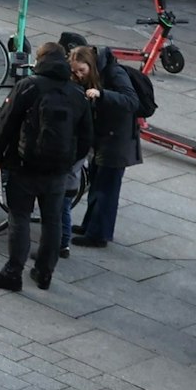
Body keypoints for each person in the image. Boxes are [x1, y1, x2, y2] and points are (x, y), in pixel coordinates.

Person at [0, 42, 93, 292]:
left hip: (24, 165)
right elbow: (87, 137)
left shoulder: (29, 86)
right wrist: (68, 160)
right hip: (58, 171)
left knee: (19, 218)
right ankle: (44, 273)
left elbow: (7, 123)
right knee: (52, 221)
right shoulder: (76, 94)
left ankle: (13, 272)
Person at [70, 40, 139, 248]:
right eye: (75, 72)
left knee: (106, 189)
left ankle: (98, 235)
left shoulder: (114, 73)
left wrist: (102, 95)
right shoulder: (97, 73)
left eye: (81, 70)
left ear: (90, 64)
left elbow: (131, 101)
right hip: (104, 138)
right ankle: (90, 226)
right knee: (97, 183)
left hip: (117, 140)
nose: (79, 75)